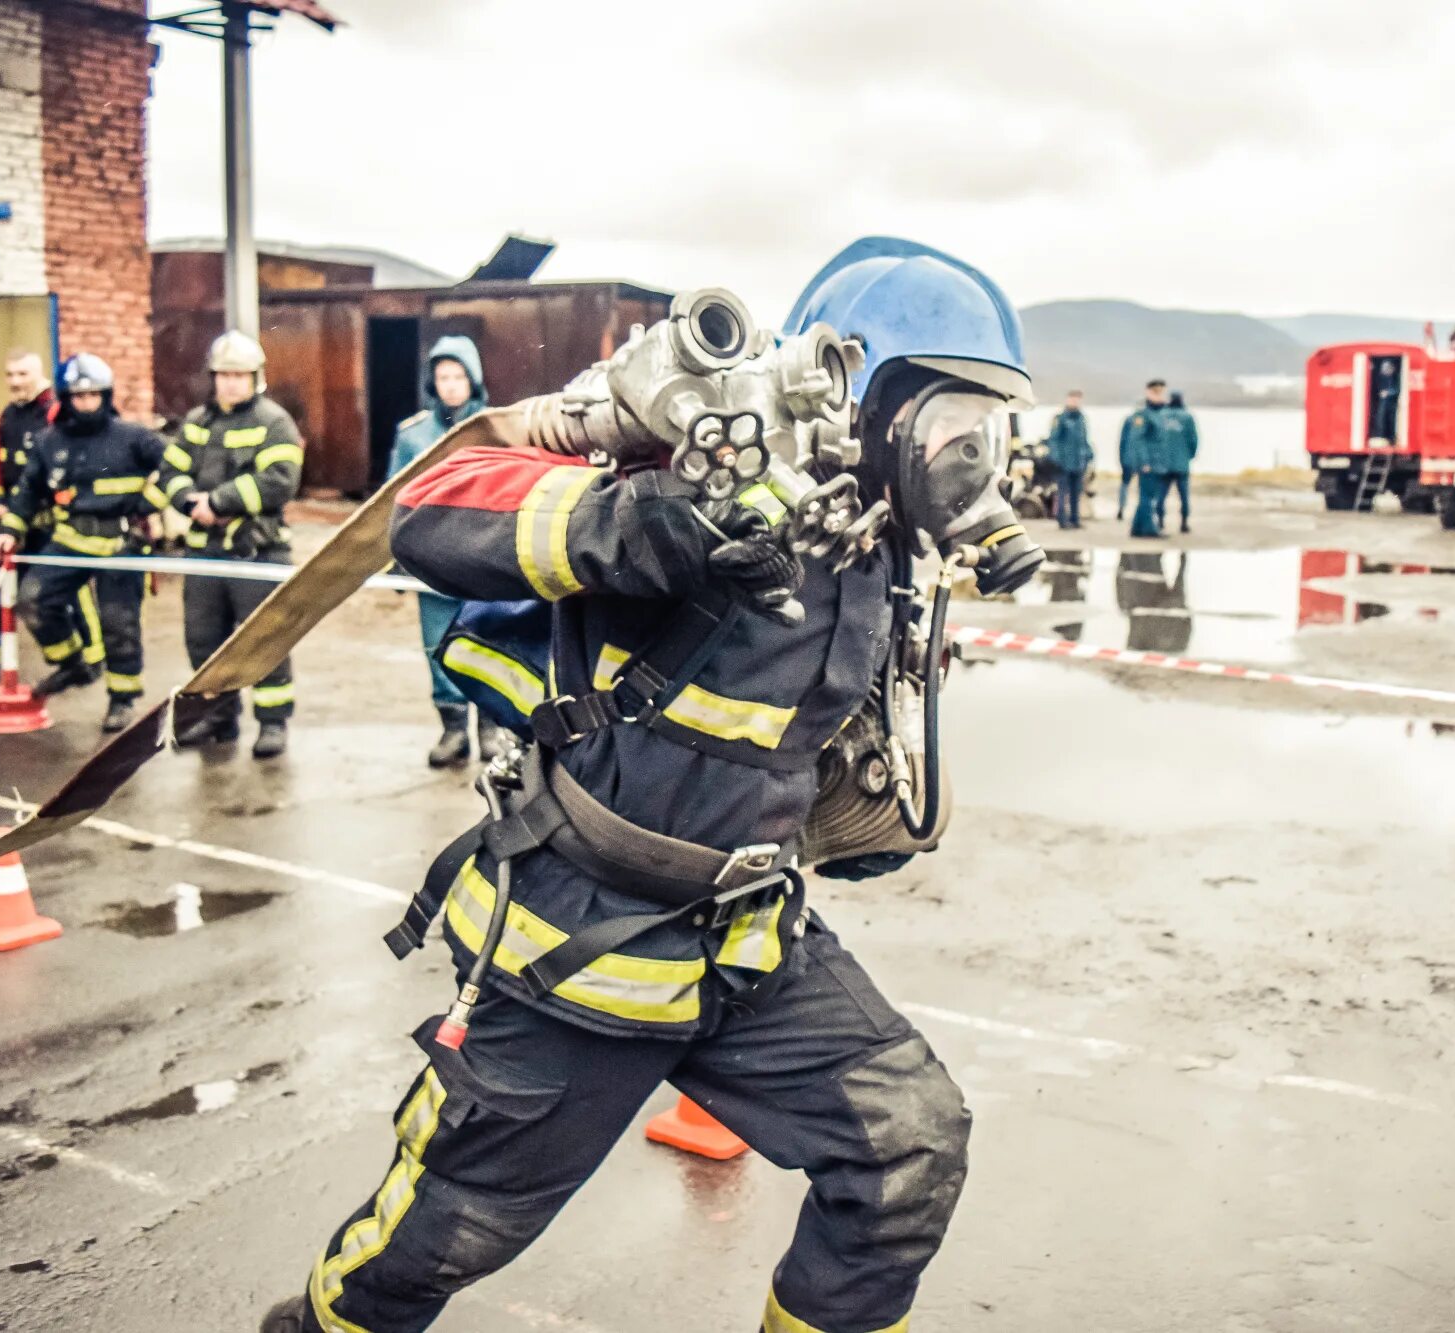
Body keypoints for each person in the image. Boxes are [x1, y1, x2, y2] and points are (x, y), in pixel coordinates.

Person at [259, 237, 1045, 1333]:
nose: (971, 457)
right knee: (432, 1245)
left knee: (907, 1145)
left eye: (988, 428)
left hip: (747, 946)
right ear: (868, 397)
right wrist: (620, 528)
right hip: (574, 958)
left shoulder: (878, 552)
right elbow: (432, 506)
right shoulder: (697, 475)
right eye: (954, 422)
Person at [0, 354, 166, 732]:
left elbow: (177, 465)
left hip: (122, 543)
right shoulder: (49, 442)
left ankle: (122, 699)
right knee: (33, 598)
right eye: (78, 396)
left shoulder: (133, 437)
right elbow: (27, 491)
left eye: (94, 395)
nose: (86, 403)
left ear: (106, 395)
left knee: (118, 623)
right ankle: (73, 665)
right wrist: (8, 530)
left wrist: (152, 502)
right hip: (70, 540)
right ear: (66, 398)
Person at [159, 331, 305, 760]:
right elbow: (170, 471)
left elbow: (281, 480)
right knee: (204, 641)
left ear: (255, 377)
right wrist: (190, 502)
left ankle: (273, 723)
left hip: (257, 552)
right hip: (205, 553)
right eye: (223, 375)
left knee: (265, 640)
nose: (229, 383)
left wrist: (221, 501)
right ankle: (218, 719)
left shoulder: (275, 422)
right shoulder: (197, 422)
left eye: (238, 375)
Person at [0, 350, 104, 681]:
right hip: (15, 523)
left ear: (38, 375)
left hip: (53, 524)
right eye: (10, 374)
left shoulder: (56, 413)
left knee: (71, 591)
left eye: (22, 374)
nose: (15, 382)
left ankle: (91, 657)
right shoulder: (7, 416)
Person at [388, 335, 496, 767]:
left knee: (488, 645)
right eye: (443, 376)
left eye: (458, 376)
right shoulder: (413, 436)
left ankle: (492, 728)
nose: (451, 385)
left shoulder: (494, 429)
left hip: (483, 562)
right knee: (437, 650)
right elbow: (392, 498)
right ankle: (453, 732)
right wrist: (396, 557)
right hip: (431, 567)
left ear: (473, 380)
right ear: (432, 383)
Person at [1120, 379, 1168, 538]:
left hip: (1158, 461)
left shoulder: (1160, 413)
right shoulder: (1143, 414)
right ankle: (1149, 528)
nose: (1159, 395)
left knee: (1149, 495)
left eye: (1161, 392)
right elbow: (1137, 439)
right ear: (1148, 392)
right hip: (1148, 462)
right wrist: (1144, 461)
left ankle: (1137, 528)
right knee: (1148, 496)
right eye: (1156, 392)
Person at [1044, 389, 1092, 529]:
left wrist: (1089, 454)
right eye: (1072, 399)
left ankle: (1075, 519)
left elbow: (1084, 440)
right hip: (1063, 463)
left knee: (1076, 493)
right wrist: (1056, 459)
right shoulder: (1060, 419)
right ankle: (1062, 520)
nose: (1075, 401)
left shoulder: (1081, 419)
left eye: (1077, 399)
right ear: (1067, 400)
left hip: (1078, 463)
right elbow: (1053, 441)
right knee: (1062, 493)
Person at [1154, 389, 1199, 534]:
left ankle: (1160, 521)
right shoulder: (1187, 418)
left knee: (1161, 495)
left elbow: (1155, 439)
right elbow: (1194, 440)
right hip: (1181, 463)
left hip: (1164, 464)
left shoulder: (1161, 416)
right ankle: (1184, 523)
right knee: (1184, 496)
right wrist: (1189, 455)